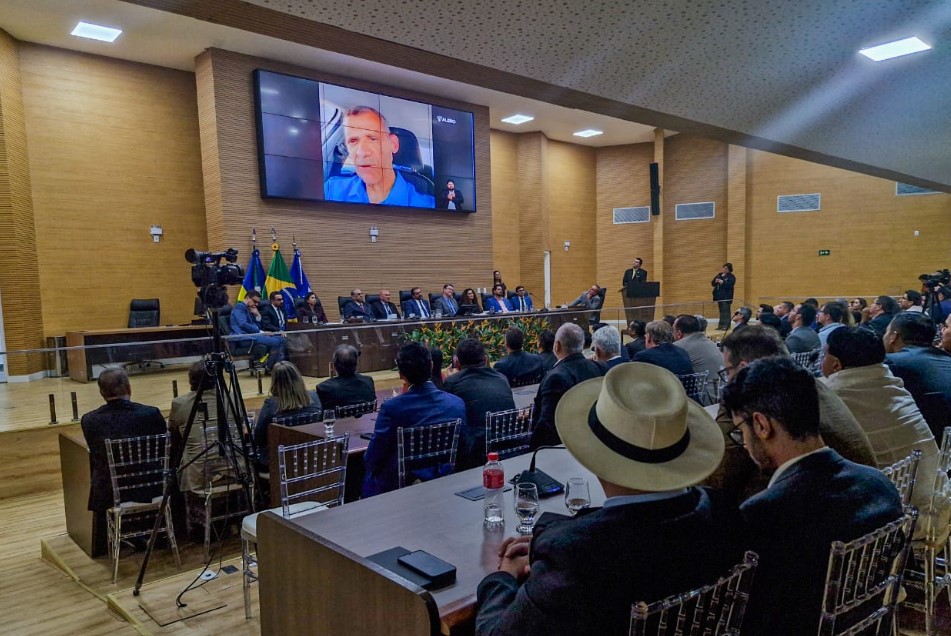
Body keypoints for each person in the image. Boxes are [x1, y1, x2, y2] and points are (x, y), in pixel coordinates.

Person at [476, 363, 741, 636]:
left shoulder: (574, 558)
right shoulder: (723, 511)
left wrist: (502, 577)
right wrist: (551, 538)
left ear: (594, 456)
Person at [721, 357, 902, 636]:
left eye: (740, 431)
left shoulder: (764, 514)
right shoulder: (878, 484)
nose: (743, 443)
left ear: (760, 425)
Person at [703, 325, 876, 505]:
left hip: (816, 505)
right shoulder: (810, 385)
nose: (727, 378)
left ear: (744, 368)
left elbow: (717, 471)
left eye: (728, 371)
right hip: (858, 493)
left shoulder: (760, 401)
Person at [821, 326, 940, 523]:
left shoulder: (829, 397)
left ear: (836, 365)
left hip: (887, 526)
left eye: (824, 355)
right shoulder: (893, 385)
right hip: (936, 505)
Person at [362, 343, 466, 497]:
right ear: (431, 366)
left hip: (397, 489)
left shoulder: (392, 408)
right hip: (443, 481)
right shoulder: (456, 403)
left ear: (400, 374)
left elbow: (372, 459)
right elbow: (463, 450)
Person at [80, 369, 167, 513]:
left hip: (109, 493)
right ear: (129, 388)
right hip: (150, 487)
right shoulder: (151, 414)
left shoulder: (89, 420)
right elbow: (162, 450)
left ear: (101, 392)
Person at [323, 106, 435, 207]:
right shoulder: (332, 190)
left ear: (393, 144)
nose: (362, 152)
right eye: (353, 141)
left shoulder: (427, 205)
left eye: (373, 139)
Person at [444, 338, 516, 469]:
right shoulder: (502, 378)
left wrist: (451, 379)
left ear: (457, 362)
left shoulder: (452, 382)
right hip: (509, 447)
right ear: (485, 359)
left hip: (474, 455)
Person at [530, 323, 604, 449]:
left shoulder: (555, 377)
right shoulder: (598, 368)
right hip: (592, 442)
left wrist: (530, 449)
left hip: (561, 448)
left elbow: (547, 424)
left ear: (557, 345)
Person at [168, 360, 233, 493]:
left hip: (198, 476)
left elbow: (174, 437)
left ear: (190, 380)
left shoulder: (180, 403)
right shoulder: (230, 398)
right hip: (233, 469)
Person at [884, 313, 951, 438]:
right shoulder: (946, 358)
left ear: (893, 336)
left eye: (886, 332)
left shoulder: (891, 362)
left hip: (930, 442)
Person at [253, 362, 323, 467]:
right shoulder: (314, 397)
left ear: (275, 382)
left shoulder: (271, 405)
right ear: (298, 378)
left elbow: (258, 439)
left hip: (280, 463)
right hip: (312, 458)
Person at [229, 290, 286, 371]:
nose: (256, 304)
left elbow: (257, 325)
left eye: (258, 302)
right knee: (277, 342)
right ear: (248, 298)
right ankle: (270, 368)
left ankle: (272, 367)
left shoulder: (249, 309)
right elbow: (243, 324)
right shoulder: (240, 307)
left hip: (253, 335)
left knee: (281, 339)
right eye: (255, 301)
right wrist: (261, 333)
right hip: (244, 337)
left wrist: (257, 315)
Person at [672, 314, 721, 404]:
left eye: (673, 331)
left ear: (678, 334)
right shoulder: (710, 343)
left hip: (704, 399)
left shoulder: (677, 347)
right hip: (721, 394)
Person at [315, 344, 376, 412]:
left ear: (334, 365)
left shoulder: (324, 387)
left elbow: (325, 415)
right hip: (366, 421)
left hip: (339, 422)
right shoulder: (368, 381)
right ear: (356, 364)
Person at [711, 262, 736, 330]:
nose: (724, 269)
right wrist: (715, 281)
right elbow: (712, 283)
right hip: (719, 297)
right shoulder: (719, 275)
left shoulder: (731, 276)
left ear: (729, 269)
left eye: (726, 268)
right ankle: (721, 325)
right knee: (721, 311)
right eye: (723, 268)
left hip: (726, 297)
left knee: (726, 312)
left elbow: (730, 285)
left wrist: (722, 282)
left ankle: (726, 326)